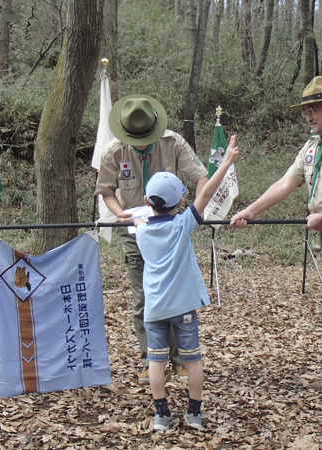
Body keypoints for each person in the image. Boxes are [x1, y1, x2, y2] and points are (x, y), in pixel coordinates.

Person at [230, 76, 322, 408]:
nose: (309, 116)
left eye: (314, 110)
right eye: (305, 111)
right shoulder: (313, 146)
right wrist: (251, 210)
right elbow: (287, 183)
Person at [95, 94, 209, 383]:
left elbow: (201, 178)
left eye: (146, 138)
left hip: (171, 231)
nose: (140, 144)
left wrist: (186, 207)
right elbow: (106, 191)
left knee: (177, 296)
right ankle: (151, 359)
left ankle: (181, 359)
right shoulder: (113, 152)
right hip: (135, 232)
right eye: (135, 139)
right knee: (144, 297)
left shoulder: (174, 143)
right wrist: (121, 214)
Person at [134, 136, 240, 431]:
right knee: (192, 360)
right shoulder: (182, 226)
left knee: (156, 363)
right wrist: (227, 162)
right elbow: (205, 194)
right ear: (181, 202)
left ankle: (161, 415)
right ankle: (194, 414)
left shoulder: (141, 232)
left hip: (154, 309)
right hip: (182, 308)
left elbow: (141, 221)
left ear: (146, 202)